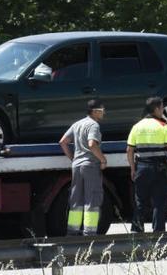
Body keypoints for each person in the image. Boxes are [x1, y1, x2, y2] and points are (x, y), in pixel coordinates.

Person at [126, 97, 167, 233]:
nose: (163, 111)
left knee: (140, 201)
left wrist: (133, 169)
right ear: (157, 109)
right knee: (159, 202)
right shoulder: (164, 126)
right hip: (159, 169)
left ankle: (136, 233)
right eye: (162, 108)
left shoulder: (137, 127)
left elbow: (129, 150)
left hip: (141, 168)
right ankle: (158, 233)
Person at [59, 99, 107, 235]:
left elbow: (63, 142)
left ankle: (72, 232)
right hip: (90, 165)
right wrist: (102, 160)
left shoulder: (77, 124)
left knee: (76, 200)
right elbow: (92, 144)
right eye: (102, 110)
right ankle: (89, 233)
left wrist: (74, 159)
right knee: (92, 199)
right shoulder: (94, 125)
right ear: (95, 111)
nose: (104, 113)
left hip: (77, 166)